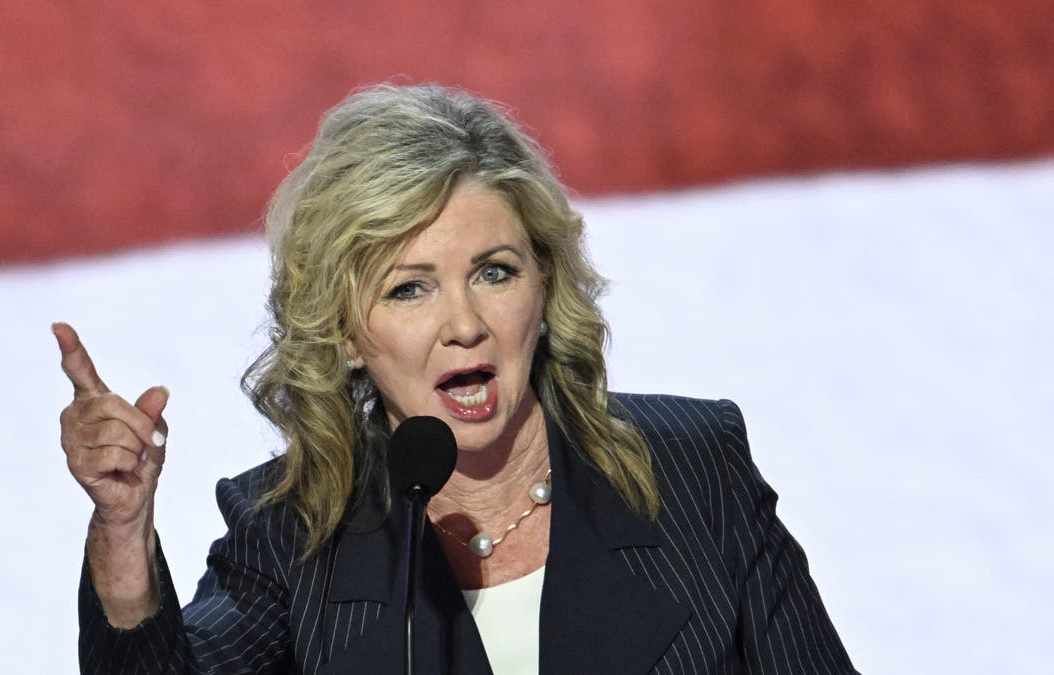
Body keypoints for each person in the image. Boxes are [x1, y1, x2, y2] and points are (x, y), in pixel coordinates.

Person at [56, 83, 857, 674]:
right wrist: (123, 532)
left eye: (494, 272)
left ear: (544, 287)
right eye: (410, 288)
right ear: (343, 333)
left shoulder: (694, 470)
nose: (464, 322)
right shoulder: (294, 537)